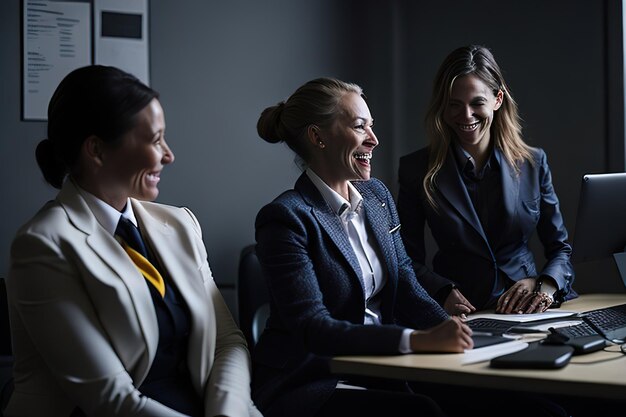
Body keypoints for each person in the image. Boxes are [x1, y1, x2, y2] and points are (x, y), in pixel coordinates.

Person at [4, 65, 261, 417]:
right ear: (96, 150)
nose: (168, 155)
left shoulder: (179, 223)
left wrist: (227, 412)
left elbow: (226, 342)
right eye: (155, 140)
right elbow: (111, 399)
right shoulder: (43, 245)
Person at [252, 77, 473, 417]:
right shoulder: (285, 219)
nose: (374, 140)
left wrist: (457, 334)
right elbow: (314, 328)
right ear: (317, 137)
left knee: (508, 402)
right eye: (360, 127)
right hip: (313, 379)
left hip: (382, 366)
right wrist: (416, 340)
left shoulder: (377, 198)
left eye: (372, 127)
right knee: (422, 412)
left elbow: (407, 284)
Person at [397, 45, 576, 316]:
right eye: (454, 105)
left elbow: (560, 249)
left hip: (531, 310)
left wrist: (544, 287)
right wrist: (442, 292)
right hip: (461, 314)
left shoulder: (533, 163)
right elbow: (405, 257)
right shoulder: (415, 169)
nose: (465, 115)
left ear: (497, 99)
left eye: (476, 103)